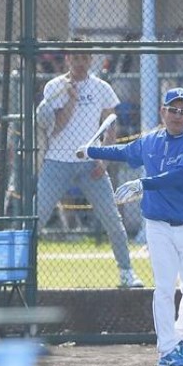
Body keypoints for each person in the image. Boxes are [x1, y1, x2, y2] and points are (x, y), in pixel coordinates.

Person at [79, 87, 183, 366]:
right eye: (172, 110)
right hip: (158, 225)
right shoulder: (150, 141)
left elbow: (181, 176)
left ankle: (180, 339)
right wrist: (91, 150)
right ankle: (167, 351)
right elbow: (124, 152)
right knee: (163, 288)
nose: (177, 115)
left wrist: (143, 184)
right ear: (162, 112)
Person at [37, 43, 144, 288]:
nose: (80, 63)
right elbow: (56, 128)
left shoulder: (101, 88)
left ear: (91, 60)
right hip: (57, 161)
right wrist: (71, 100)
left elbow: (111, 125)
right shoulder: (54, 87)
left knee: (112, 220)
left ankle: (127, 272)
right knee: (37, 218)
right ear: (67, 59)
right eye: (75, 58)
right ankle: (25, 273)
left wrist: (104, 160)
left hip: (90, 163)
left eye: (84, 58)